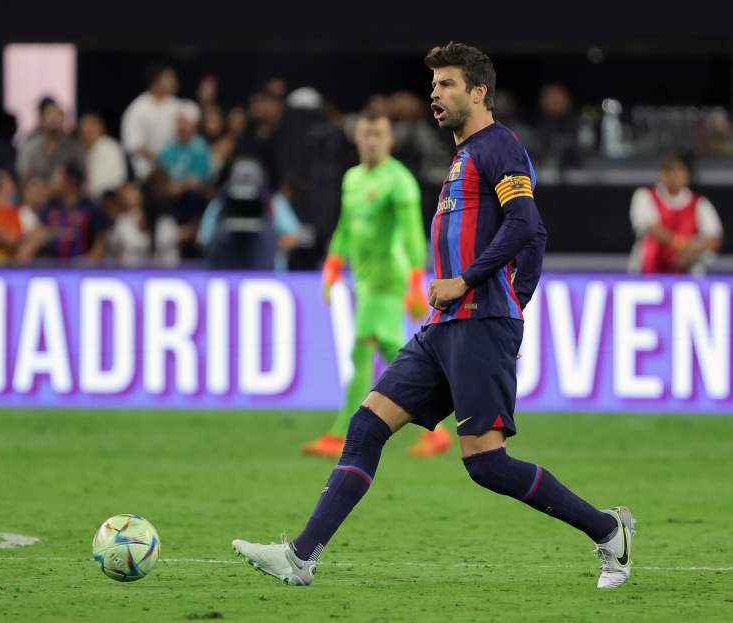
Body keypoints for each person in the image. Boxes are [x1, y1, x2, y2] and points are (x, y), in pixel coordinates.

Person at [232, 42, 634, 591]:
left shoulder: (499, 147)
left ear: (478, 92)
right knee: (366, 425)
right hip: (445, 324)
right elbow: (530, 235)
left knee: (487, 465)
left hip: (477, 320)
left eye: (446, 84)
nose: (434, 94)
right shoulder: (463, 154)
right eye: (434, 85)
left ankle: (609, 530)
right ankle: (301, 557)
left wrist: (493, 298)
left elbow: (526, 226)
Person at [301, 110, 452, 458]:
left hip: (389, 278)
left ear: (390, 140)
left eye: (378, 135)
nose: (371, 141)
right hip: (364, 280)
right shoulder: (352, 178)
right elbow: (346, 226)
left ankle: (341, 433)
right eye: (366, 134)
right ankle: (438, 430)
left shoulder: (398, 181)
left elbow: (414, 233)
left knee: (362, 348)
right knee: (390, 352)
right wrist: (333, 264)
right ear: (357, 138)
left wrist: (416, 279)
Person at [629, 154, 722, 274]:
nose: (676, 175)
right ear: (662, 174)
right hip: (648, 271)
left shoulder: (700, 203)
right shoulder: (644, 196)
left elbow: (714, 237)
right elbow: (652, 228)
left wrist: (694, 249)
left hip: (687, 273)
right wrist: (682, 245)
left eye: (680, 170)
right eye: (671, 171)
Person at [17, 162, 109, 263]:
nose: (54, 181)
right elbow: (38, 233)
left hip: (82, 267)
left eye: (59, 177)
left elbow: (100, 241)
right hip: (51, 265)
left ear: (71, 181)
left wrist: (90, 260)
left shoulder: (91, 208)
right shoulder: (50, 206)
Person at [120, 64, 180, 180]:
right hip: (146, 173)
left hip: (173, 171)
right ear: (156, 80)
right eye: (169, 78)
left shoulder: (175, 105)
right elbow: (133, 145)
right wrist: (160, 160)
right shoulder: (138, 108)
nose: (173, 81)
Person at [16, 97, 85, 183]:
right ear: (41, 119)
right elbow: (22, 175)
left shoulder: (74, 147)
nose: (53, 119)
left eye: (57, 115)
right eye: (49, 114)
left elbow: (83, 176)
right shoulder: (31, 147)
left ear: (63, 118)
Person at [79, 112, 128, 199]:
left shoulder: (111, 147)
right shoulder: (78, 150)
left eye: (92, 126)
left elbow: (119, 180)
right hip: (86, 201)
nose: (88, 129)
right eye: (85, 126)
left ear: (101, 128)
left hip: (109, 199)